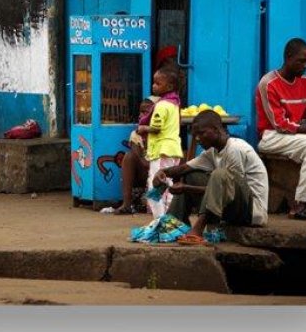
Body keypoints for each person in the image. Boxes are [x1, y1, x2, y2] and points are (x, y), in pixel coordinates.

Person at [153, 110, 270, 245]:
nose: (197, 138)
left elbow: (228, 190)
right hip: (233, 208)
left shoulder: (236, 148)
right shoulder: (212, 152)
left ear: (216, 130)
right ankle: (173, 225)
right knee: (190, 175)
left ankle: (198, 229)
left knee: (219, 175)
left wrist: (186, 188)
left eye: (201, 133)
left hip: (252, 212)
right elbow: (184, 168)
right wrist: (162, 173)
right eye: (195, 135)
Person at [256, 38, 306, 220]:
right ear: (288, 58)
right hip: (271, 136)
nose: (305, 66)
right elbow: (279, 124)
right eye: (301, 61)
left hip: (295, 135)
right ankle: (303, 204)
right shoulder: (269, 83)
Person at [101, 94, 160, 215]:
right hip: (145, 171)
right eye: (140, 112)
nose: (140, 116)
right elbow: (139, 158)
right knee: (128, 157)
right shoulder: (136, 134)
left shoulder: (163, 134)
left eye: (145, 112)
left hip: (161, 172)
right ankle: (126, 204)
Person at [139, 69, 185, 218]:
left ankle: (159, 220)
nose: (154, 86)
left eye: (158, 83)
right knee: (168, 185)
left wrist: (143, 128)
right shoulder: (175, 103)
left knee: (156, 186)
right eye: (154, 82)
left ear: (170, 86)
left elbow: (156, 128)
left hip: (161, 150)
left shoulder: (161, 105)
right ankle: (171, 217)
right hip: (173, 149)